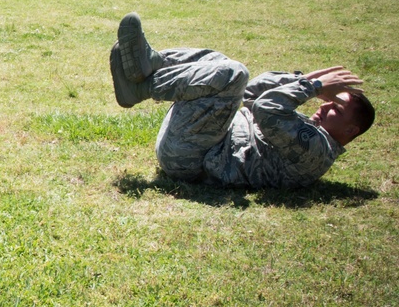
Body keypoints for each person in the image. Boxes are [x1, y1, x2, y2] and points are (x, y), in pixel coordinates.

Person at [110, 13, 375, 189]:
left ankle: (144, 87)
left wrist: (311, 87)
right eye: (327, 101)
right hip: (191, 143)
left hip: (190, 159)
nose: (324, 105)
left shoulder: (316, 151)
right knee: (219, 63)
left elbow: (266, 109)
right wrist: (302, 79)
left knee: (233, 73)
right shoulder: (311, 132)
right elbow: (250, 94)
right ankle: (151, 66)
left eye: (335, 108)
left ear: (351, 130)